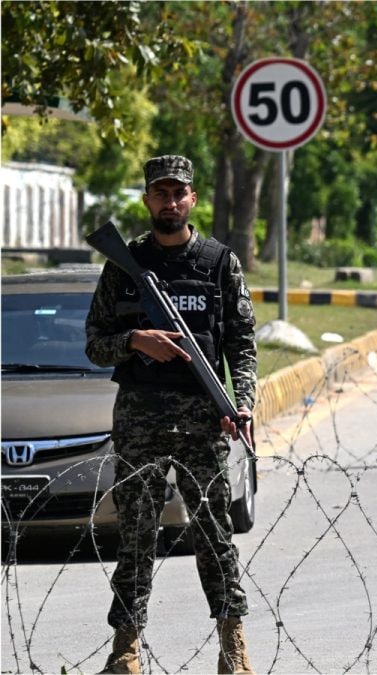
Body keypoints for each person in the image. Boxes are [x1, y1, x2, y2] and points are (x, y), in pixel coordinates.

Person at [85, 155, 258, 674]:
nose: (170, 201)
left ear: (193, 199)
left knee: (214, 537)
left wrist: (242, 401)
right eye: (161, 192)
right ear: (146, 199)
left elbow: (242, 344)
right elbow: (94, 345)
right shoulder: (123, 264)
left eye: (179, 192)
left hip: (204, 424)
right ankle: (126, 649)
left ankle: (234, 648)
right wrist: (137, 339)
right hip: (140, 422)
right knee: (135, 540)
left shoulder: (218, 262)